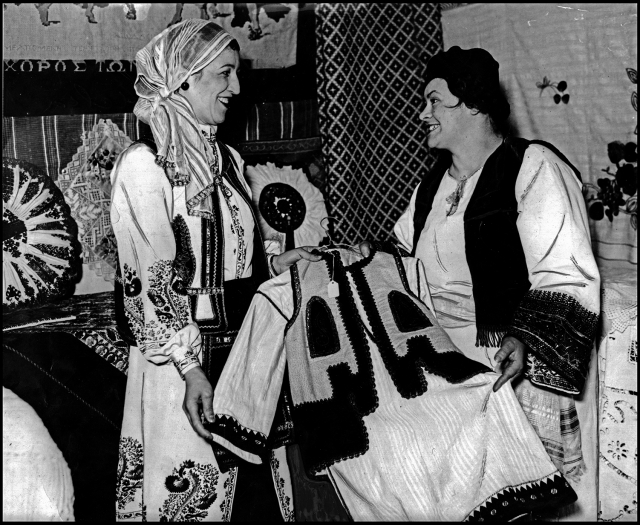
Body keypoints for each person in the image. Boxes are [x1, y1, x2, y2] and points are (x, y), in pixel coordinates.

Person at [363, 45, 600, 504]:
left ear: (472, 102)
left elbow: (565, 271)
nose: (421, 114)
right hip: (447, 372)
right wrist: (361, 254)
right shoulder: (431, 186)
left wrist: (525, 337)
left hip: (511, 369)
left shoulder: (532, 167)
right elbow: (400, 259)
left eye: (433, 99)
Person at [110, 19, 320, 522]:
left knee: (255, 500)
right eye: (225, 73)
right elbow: (151, 281)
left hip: (240, 354)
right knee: (190, 492)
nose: (237, 87)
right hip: (180, 367)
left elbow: (232, 254)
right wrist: (189, 369)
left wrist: (274, 261)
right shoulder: (144, 167)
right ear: (184, 79)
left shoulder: (226, 159)